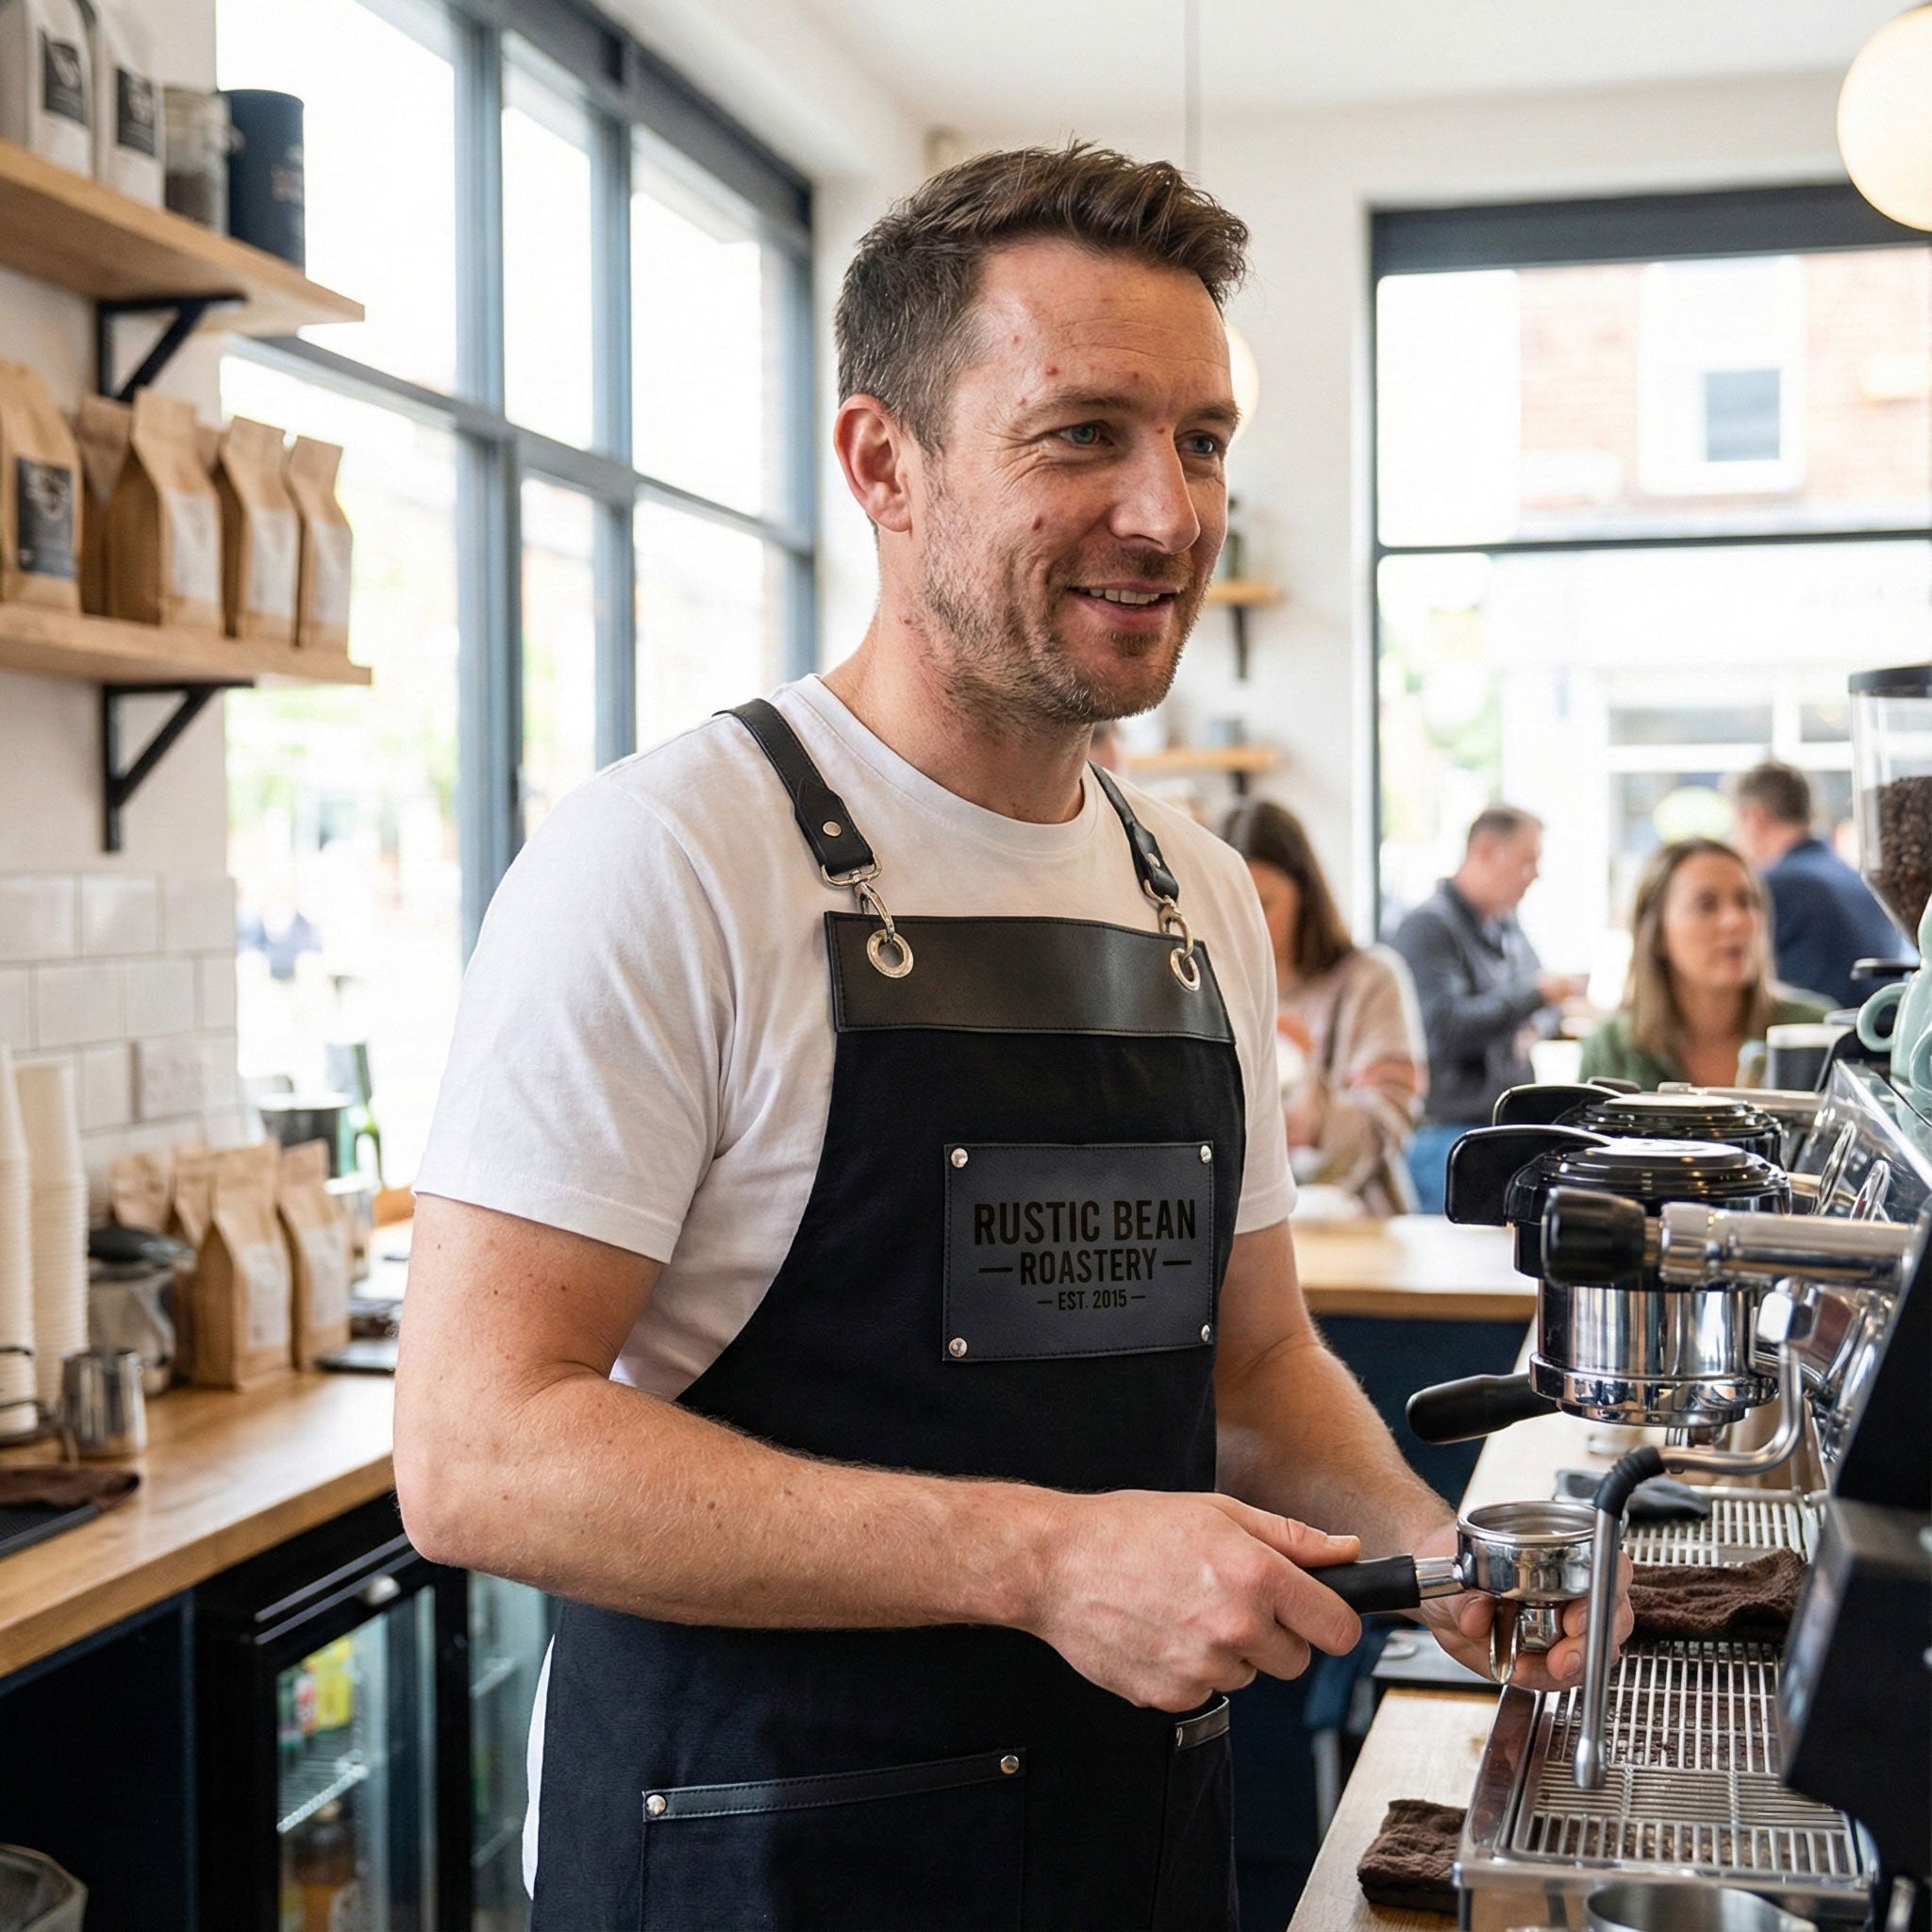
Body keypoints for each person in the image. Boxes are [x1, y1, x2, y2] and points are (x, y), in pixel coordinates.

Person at [393, 144, 1628, 1932]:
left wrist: (1432, 1546)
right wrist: (1042, 1556)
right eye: (1081, 435)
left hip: (1133, 1845)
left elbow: (1250, 1366)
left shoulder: (1189, 886)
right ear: (880, 462)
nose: (1166, 511)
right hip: (750, 1861)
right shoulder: (667, 859)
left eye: (1198, 441)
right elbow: (477, 1449)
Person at [1223, 799, 1425, 1214]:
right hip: (1244, 1230)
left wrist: (1316, 1121)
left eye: (1264, 904)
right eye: (1232, 907)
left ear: (1305, 894)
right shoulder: (1209, 986)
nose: (1248, 925)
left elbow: (1393, 1123)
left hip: (1361, 1227)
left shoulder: (1370, 979)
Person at [1390, 806, 1586, 1213]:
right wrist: (1532, 999)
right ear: (1484, 852)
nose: (1535, 876)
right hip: (1449, 1139)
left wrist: (1534, 1011)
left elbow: (1545, 1005)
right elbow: (1442, 1030)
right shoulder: (1428, 929)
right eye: (1526, 862)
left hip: (1504, 1131)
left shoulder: (1505, 926)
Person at [1580, 837, 1832, 1090]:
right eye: (1706, 905)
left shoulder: (1815, 1031)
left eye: (1746, 901)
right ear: (1657, 935)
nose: (1736, 920)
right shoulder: (1610, 1050)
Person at [1730, 759, 1906, 1009]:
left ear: (1753, 817)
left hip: (1823, 1038)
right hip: (1889, 1030)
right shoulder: (1859, 879)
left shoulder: (1771, 887)